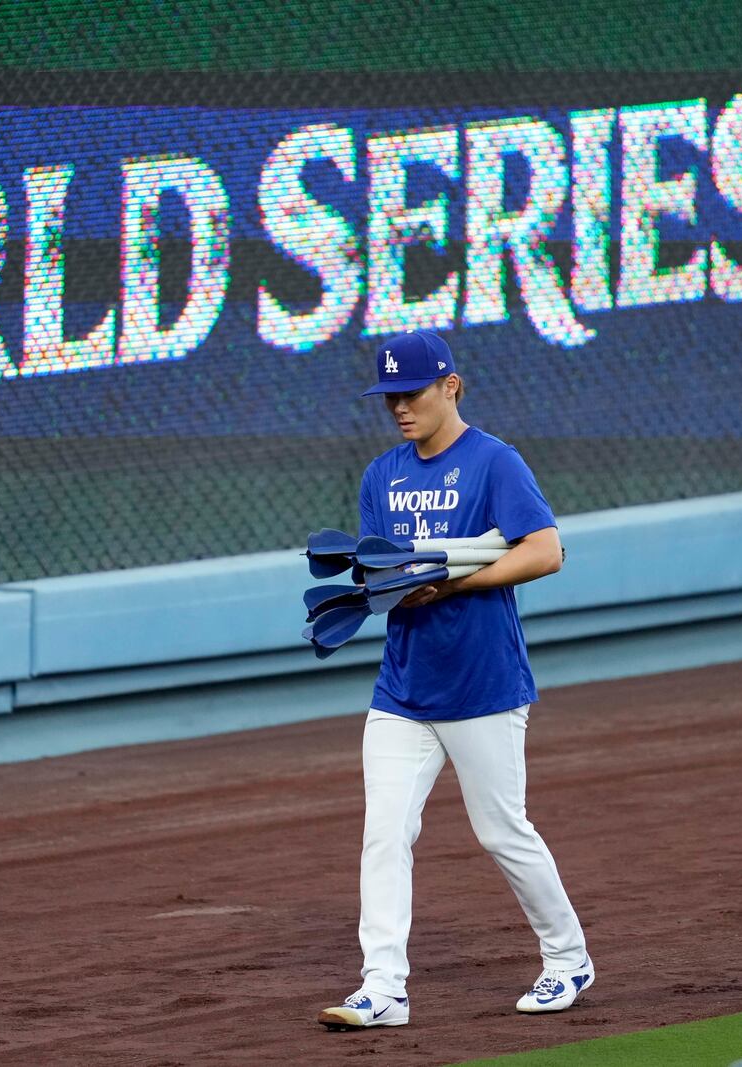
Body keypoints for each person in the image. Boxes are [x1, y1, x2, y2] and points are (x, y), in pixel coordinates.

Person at [317, 329, 591, 1031]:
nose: (399, 407)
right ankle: (382, 987)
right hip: (404, 688)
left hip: (483, 684)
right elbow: (384, 573)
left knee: (502, 830)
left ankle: (567, 959)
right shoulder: (382, 475)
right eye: (390, 398)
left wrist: (458, 582)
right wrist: (399, 589)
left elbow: (546, 550)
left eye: (410, 393)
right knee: (384, 832)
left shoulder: (496, 463)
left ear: (451, 386)